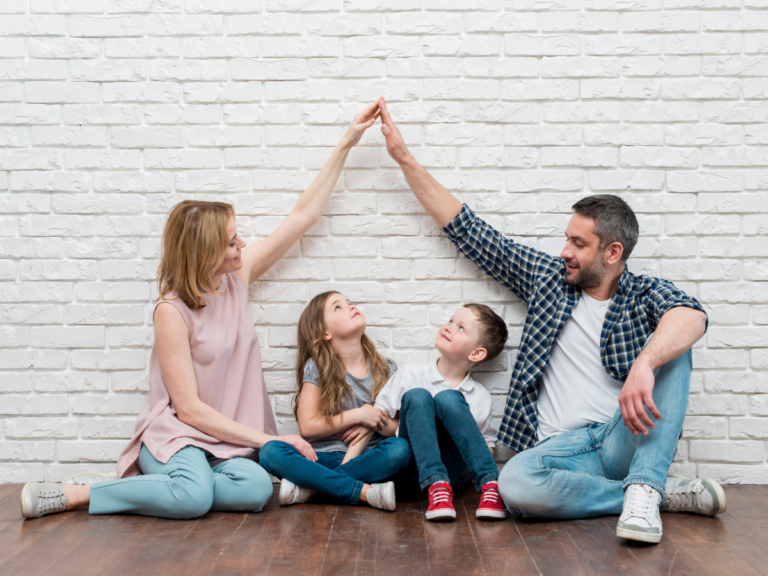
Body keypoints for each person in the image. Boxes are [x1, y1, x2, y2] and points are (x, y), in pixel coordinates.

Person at [377, 98, 726, 543]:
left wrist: (645, 363)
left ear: (612, 253)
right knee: (514, 485)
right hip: (558, 452)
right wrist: (404, 159)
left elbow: (692, 316)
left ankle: (644, 482)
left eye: (578, 243)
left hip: (621, 437)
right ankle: (650, 493)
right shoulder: (548, 280)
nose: (565, 251)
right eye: (566, 239)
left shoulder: (642, 294)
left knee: (676, 348)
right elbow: (472, 232)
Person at [20, 100, 382, 521]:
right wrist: (267, 440)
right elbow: (188, 409)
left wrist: (346, 143)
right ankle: (83, 492)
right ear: (203, 252)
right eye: (231, 242)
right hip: (181, 436)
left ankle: (166, 488)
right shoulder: (170, 312)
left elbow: (302, 215)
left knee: (252, 490)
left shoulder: (237, 278)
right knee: (193, 499)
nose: (242, 246)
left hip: (228, 441)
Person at [258, 291, 412, 511]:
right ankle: (364, 492)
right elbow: (308, 428)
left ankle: (313, 489)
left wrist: (376, 419)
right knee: (270, 451)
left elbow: (396, 429)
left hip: (368, 460)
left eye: (349, 303)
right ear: (325, 332)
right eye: (338, 307)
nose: (351, 306)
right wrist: (359, 414)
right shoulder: (317, 367)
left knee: (400, 449)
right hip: (324, 459)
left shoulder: (387, 368)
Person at [374, 304, 508, 522]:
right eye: (451, 321)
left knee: (448, 398)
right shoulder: (411, 374)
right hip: (413, 472)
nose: (449, 327)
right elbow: (378, 417)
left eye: (461, 328)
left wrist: (462, 437)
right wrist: (413, 428)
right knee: (418, 396)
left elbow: (488, 447)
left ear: (476, 353)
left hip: (455, 475)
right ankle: (436, 485)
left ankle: (490, 486)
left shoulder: (479, 395)